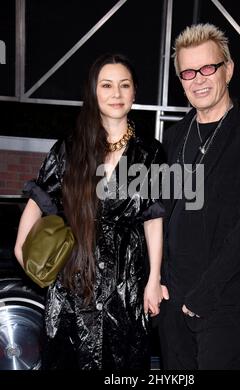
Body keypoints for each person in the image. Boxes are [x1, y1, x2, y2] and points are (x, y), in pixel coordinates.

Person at [14, 53, 168, 370]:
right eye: (107, 85)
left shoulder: (151, 152)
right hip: (73, 284)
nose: (116, 94)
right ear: (93, 92)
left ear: (134, 93)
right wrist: (23, 251)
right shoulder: (70, 149)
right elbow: (38, 201)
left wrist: (154, 279)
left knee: (123, 363)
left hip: (126, 286)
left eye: (124, 86)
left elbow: (153, 218)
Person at [158, 23, 240, 369]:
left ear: (228, 69)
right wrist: (157, 280)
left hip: (221, 302)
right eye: (188, 72)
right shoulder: (174, 137)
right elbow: (161, 215)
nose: (198, 79)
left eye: (208, 68)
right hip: (172, 302)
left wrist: (203, 295)